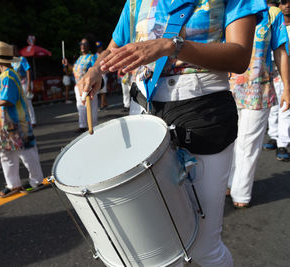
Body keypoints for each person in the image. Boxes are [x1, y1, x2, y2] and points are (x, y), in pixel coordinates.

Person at [77, 1, 266, 266]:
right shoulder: (135, 2)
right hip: (143, 112)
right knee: (154, 243)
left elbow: (239, 57)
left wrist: (171, 46)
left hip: (202, 112)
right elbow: (113, 47)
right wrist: (96, 69)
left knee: (204, 248)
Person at [229, 5, 290, 208]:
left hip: (258, 89)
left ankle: (241, 193)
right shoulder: (229, 6)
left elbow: (280, 51)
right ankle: (228, 183)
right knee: (230, 141)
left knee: (249, 144)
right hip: (227, 87)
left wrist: (287, 88)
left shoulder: (272, 14)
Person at [0, 41, 45, 197]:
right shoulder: (6, 75)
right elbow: (3, 98)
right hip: (9, 124)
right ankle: (14, 184)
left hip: (17, 123)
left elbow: (7, 101)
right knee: (8, 154)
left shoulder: (8, 76)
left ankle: (34, 181)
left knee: (25, 153)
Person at [263, 0, 290, 161]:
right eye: (284, 2)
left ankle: (283, 143)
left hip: (285, 72)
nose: (287, 5)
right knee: (272, 107)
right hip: (268, 70)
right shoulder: (270, 19)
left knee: (285, 108)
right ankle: (273, 135)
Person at [62, 35, 98, 133]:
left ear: (89, 46)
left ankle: (93, 127)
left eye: (84, 44)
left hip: (89, 87)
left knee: (91, 108)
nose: (82, 46)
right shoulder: (79, 58)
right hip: (78, 86)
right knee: (80, 106)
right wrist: (67, 64)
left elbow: (96, 71)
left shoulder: (92, 57)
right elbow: (73, 70)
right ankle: (82, 125)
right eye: (81, 44)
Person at [12, 46, 36, 127]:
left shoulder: (22, 59)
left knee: (28, 103)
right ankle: (24, 120)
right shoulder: (11, 61)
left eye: (14, 50)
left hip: (25, 82)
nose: (13, 52)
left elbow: (28, 71)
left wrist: (29, 84)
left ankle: (33, 121)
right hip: (17, 84)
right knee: (20, 104)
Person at [96, 41, 108, 110]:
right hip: (98, 74)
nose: (98, 49)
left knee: (103, 90)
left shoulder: (104, 54)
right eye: (97, 48)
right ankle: (105, 103)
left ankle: (102, 105)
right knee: (99, 91)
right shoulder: (95, 55)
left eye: (99, 47)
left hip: (103, 74)